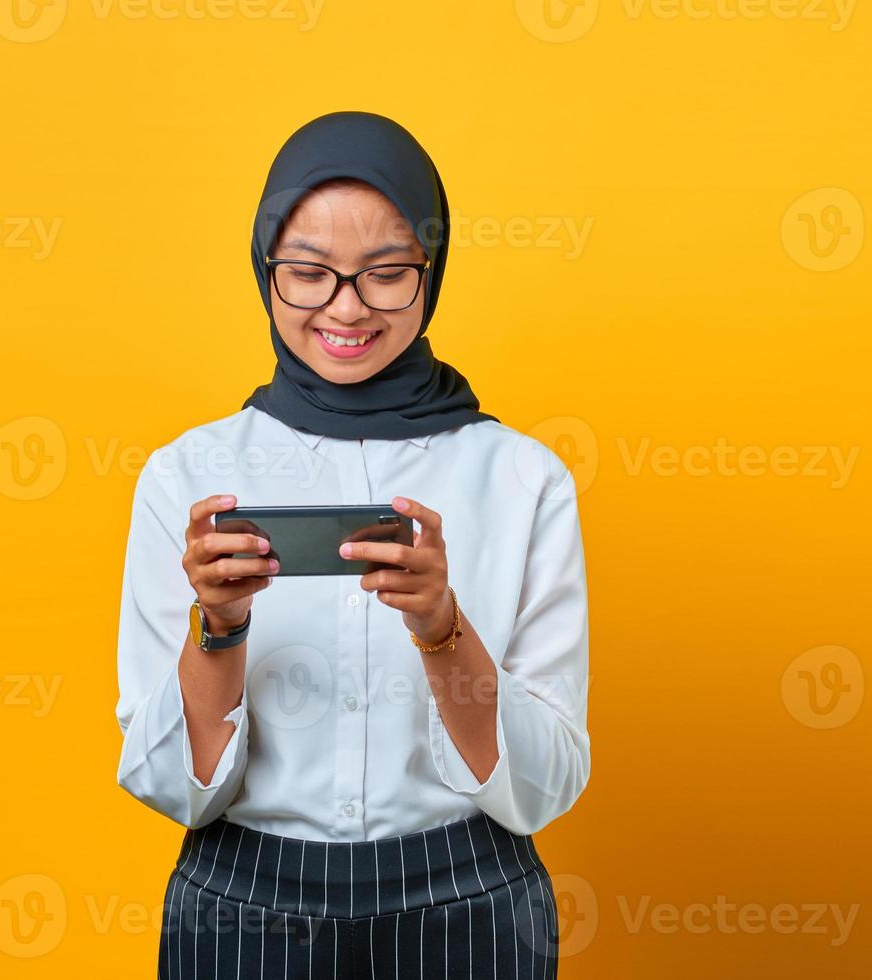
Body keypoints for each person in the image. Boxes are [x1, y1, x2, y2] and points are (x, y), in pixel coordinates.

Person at [115, 110, 590, 979]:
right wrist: (216, 627)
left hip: (471, 908)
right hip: (242, 910)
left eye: (385, 275)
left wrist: (444, 627)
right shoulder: (187, 475)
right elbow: (170, 787)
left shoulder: (524, 479)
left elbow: (548, 784)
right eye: (308, 274)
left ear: (430, 272)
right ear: (266, 271)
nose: (345, 307)